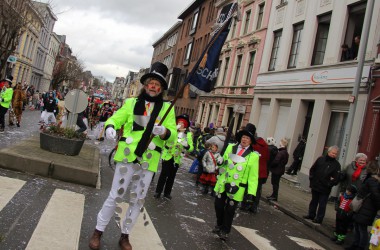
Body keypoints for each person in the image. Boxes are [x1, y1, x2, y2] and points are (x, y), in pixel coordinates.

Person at [88, 62, 177, 250]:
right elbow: (115, 118)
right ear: (145, 85)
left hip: (148, 160)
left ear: (161, 88)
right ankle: (98, 231)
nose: (153, 86)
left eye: (157, 84)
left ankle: (125, 235)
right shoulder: (131, 103)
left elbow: (173, 137)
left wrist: (164, 132)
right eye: (151, 82)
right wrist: (110, 126)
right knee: (115, 195)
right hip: (128, 156)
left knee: (137, 199)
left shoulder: (167, 109)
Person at [212, 123, 259, 241]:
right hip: (223, 182)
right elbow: (223, 163)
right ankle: (219, 223)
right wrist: (220, 161)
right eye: (243, 137)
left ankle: (225, 230)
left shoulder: (254, 156)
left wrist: (251, 194)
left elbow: (253, 177)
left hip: (237, 188)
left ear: (251, 141)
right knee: (218, 205)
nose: (244, 139)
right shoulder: (230, 147)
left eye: (247, 138)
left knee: (230, 210)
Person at [154, 114, 193, 199]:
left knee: (172, 176)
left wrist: (186, 145)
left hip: (177, 158)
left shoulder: (187, 135)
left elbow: (191, 148)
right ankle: (158, 191)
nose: (180, 124)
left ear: (185, 125)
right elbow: (163, 139)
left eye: (182, 123)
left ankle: (167, 193)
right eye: (179, 122)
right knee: (163, 174)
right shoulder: (172, 131)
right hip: (167, 155)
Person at [346, 161, 380, 250]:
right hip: (364, 207)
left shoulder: (372, 180)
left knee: (361, 228)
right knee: (358, 226)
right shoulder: (370, 179)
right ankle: (356, 244)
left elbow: (375, 195)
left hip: (367, 207)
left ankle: (360, 246)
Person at [303, 146, 341, 224]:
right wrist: (312, 179)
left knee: (322, 204)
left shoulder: (336, 165)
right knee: (314, 201)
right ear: (328, 152)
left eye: (336, 154)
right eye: (333, 153)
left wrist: (329, 184)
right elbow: (312, 169)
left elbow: (336, 178)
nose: (334, 155)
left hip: (325, 188)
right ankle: (311, 214)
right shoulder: (320, 159)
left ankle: (319, 218)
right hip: (316, 185)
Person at [241, 130, 269, 213]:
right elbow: (267, 158)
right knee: (258, 190)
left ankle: (245, 205)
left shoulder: (252, 146)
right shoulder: (265, 146)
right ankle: (254, 206)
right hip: (262, 171)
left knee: (247, 188)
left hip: (253, 170)